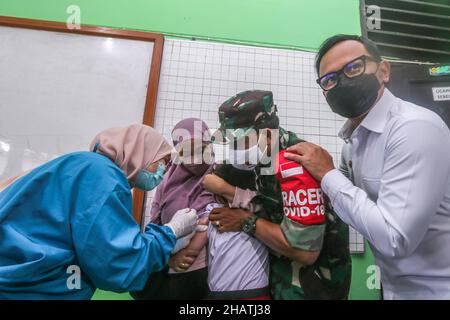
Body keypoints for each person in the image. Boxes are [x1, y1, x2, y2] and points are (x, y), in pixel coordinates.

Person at [285, 35, 450, 299]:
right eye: (329, 80)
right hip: (395, 289)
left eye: (353, 68)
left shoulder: (414, 128)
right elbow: (343, 198)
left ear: (383, 71)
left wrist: (326, 173)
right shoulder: (354, 142)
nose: (342, 82)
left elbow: (395, 240)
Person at [0, 124, 199, 300]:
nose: (163, 172)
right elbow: (117, 265)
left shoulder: (82, 165)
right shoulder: (102, 176)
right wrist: (171, 233)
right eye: (162, 162)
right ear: (142, 152)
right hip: (33, 288)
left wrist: (166, 244)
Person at [208, 90, 351, 300]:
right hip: (271, 276)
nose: (234, 150)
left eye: (241, 142)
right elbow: (216, 178)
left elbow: (304, 252)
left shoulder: (298, 163)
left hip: (311, 286)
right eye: (230, 142)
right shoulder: (253, 157)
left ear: (268, 132)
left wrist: (246, 220)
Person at [131, 118, 214, 300]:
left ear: (209, 145)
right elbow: (156, 214)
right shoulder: (170, 174)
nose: (192, 159)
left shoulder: (217, 175)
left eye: (199, 150)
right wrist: (167, 257)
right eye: (185, 152)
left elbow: (207, 219)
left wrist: (183, 255)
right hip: (164, 256)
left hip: (195, 265)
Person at [203, 164, 271, 300]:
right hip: (221, 293)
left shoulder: (259, 210)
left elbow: (254, 201)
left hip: (250, 293)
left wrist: (222, 188)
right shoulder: (213, 210)